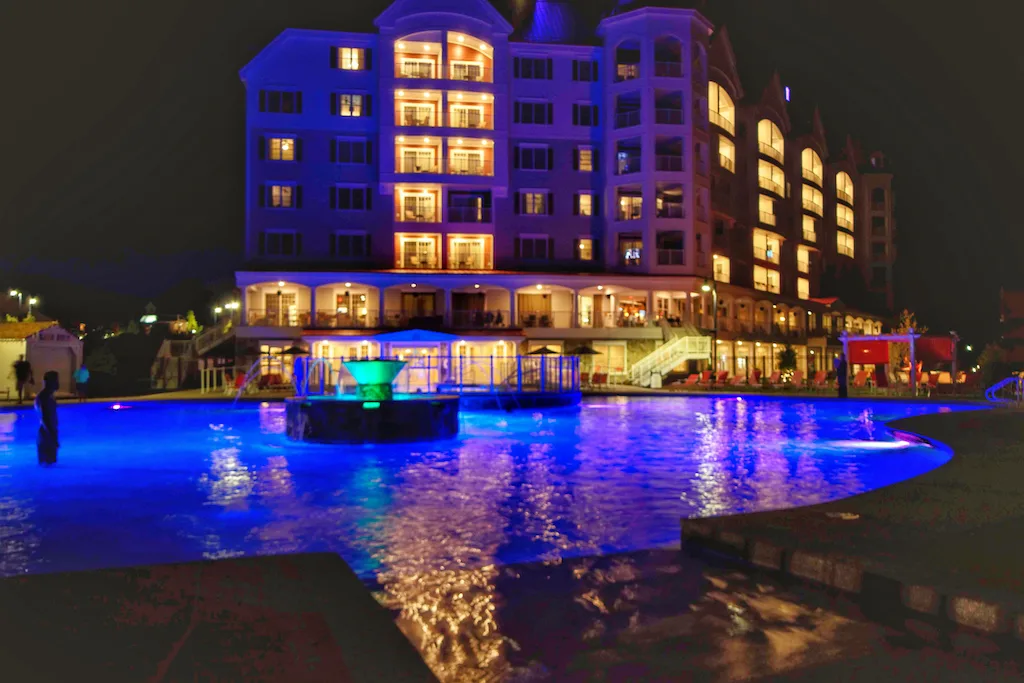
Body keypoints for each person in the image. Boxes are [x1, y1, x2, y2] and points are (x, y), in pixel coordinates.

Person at [35, 370, 60, 466]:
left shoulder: (48, 395)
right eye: (56, 380)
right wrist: (52, 437)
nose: (58, 383)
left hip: (49, 433)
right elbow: (44, 418)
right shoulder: (44, 397)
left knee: (50, 464)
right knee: (47, 463)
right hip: (47, 435)